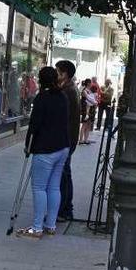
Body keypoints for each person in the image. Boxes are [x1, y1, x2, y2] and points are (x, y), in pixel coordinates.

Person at [16, 67, 71, 239]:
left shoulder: (42, 98)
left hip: (45, 148)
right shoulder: (62, 96)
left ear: (41, 80)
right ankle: (51, 225)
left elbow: (34, 125)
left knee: (39, 187)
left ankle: (37, 227)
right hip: (62, 146)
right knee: (54, 186)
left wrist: (28, 146)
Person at [55, 60, 79, 222]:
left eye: (57, 72)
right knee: (65, 173)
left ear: (64, 74)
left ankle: (64, 209)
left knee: (63, 175)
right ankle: (66, 208)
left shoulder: (67, 91)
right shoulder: (70, 89)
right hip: (68, 139)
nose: (56, 75)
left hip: (65, 140)